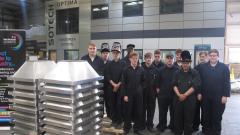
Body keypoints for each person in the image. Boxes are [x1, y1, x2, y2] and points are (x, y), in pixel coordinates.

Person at [198, 49, 230, 135]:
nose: (212, 57)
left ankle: (216, 131)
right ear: (208, 56)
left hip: (219, 96)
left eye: (214, 55)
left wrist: (225, 95)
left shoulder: (224, 68)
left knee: (217, 115)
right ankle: (206, 130)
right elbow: (199, 81)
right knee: (205, 114)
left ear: (218, 56)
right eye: (211, 55)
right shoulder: (202, 67)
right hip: (205, 96)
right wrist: (199, 93)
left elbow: (226, 82)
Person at [172, 50, 201, 135]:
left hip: (190, 101)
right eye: (184, 63)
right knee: (178, 120)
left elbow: (195, 86)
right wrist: (179, 95)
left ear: (190, 63)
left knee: (189, 121)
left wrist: (184, 95)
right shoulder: (176, 73)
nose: (185, 64)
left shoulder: (195, 73)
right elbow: (174, 85)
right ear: (181, 63)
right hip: (178, 100)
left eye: (187, 63)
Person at [122, 52, 145, 135]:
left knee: (138, 112)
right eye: (133, 58)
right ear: (130, 59)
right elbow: (123, 83)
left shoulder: (141, 69)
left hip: (139, 95)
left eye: (136, 58)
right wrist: (124, 95)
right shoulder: (126, 69)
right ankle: (126, 128)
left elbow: (143, 81)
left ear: (138, 59)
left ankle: (136, 129)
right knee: (128, 111)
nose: (135, 60)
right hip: (129, 95)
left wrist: (140, 89)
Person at [156, 53, 178, 133]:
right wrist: (158, 90)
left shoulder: (177, 69)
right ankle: (162, 126)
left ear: (173, 60)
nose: (169, 60)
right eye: (168, 58)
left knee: (173, 112)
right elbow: (157, 82)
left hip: (174, 95)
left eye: (171, 58)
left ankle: (172, 126)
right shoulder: (160, 70)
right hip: (163, 95)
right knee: (162, 112)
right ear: (165, 60)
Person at [107, 42, 126, 128]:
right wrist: (113, 84)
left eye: (117, 52)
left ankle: (120, 121)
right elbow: (108, 75)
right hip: (111, 88)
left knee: (119, 105)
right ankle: (114, 120)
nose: (115, 54)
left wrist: (118, 85)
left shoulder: (123, 63)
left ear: (120, 53)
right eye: (114, 52)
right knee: (112, 104)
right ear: (112, 53)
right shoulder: (109, 64)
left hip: (120, 88)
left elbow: (124, 75)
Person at [141, 52, 158, 132]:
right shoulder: (141, 68)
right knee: (142, 109)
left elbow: (158, 82)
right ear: (145, 59)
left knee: (151, 110)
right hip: (143, 93)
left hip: (152, 94)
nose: (148, 59)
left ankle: (150, 125)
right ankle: (143, 124)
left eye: (150, 58)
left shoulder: (155, 70)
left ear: (152, 59)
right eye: (147, 58)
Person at [193, 51, 208, 132]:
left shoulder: (209, 67)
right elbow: (195, 82)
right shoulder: (196, 67)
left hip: (206, 93)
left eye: (203, 56)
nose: (202, 58)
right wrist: (198, 92)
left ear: (206, 57)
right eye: (201, 57)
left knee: (205, 111)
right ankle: (195, 126)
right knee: (196, 110)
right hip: (197, 93)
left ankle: (204, 127)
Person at [100, 43, 111, 118]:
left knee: (108, 103)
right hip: (100, 87)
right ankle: (100, 116)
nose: (105, 54)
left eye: (107, 53)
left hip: (109, 87)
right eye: (104, 53)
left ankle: (109, 116)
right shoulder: (98, 62)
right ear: (101, 54)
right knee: (100, 103)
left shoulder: (111, 63)